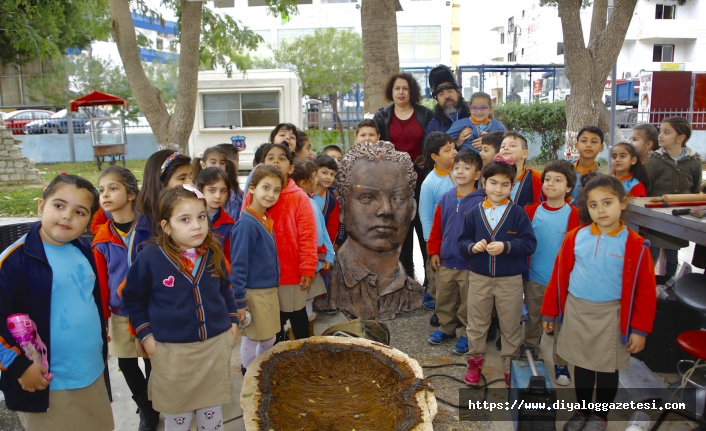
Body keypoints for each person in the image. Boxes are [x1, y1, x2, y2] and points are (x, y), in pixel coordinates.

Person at [542, 174, 657, 431]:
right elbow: (559, 278)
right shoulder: (575, 237)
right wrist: (549, 312)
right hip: (577, 311)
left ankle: (600, 416)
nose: (600, 210)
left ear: (623, 203)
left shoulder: (636, 246)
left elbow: (646, 292)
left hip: (611, 315)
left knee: (607, 369)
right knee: (582, 365)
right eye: (593, 205)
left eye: (607, 202)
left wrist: (639, 330)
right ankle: (583, 411)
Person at [0, 175, 114, 431]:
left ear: (89, 220)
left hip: (91, 374)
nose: (67, 216)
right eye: (59, 206)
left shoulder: (84, 251)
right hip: (46, 384)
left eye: (79, 211)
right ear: (41, 206)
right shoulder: (14, 261)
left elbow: (88, 299)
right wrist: (19, 366)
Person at [122, 185, 239, 431]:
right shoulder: (150, 257)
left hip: (213, 349)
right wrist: (146, 335)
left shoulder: (212, 252)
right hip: (172, 354)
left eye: (201, 217)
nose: (196, 225)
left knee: (211, 411)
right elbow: (133, 298)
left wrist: (232, 323)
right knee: (179, 416)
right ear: (166, 226)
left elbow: (225, 288)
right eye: (184, 219)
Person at [316, 141, 424, 320]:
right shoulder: (325, 286)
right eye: (367, 198)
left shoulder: (413, 292)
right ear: (342, 209)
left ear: (412, 209)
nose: (386, 210)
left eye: (397, 198)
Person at [458, 159, 537, 387]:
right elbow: (462, 241)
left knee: (510, 324)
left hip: (510, 280)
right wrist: (472, 247)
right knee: (477, 322)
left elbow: (529, 243)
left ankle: (509, 364)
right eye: (493, 183)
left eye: (505, 184)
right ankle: (474, 362)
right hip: (480, 277)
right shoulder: (474, 212)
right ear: (483, 182)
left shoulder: (518, 213)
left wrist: (507, 247)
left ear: (511, 186)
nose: (498, 189)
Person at [93, 166, 160, 430]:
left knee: (153, 358)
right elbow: (101, 282)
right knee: (126, 361)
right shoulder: (102, 238)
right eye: (101, 190)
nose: (105, 195)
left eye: (113, 188)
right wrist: (104, 318)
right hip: (121, 313)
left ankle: (156, 401)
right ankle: (145, 407)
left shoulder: (151, 228)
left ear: (131, 193)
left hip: (151, 308)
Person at [243, 143, 318, 341]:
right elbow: (244, 234)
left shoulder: (299, 198)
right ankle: (276, 356)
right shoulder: (253, 197)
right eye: (270, 157)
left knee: (296, 314)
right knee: (271, 321)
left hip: (291, 273)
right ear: (261, 165)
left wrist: (307, 268)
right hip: (262, 276)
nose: (276, 161)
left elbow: (308, 235)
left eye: (282, 158)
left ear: (291, 168)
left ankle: (304, 353)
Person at [373, 72, 434, 282]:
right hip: (395, 185)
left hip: (423, 181)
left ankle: (430, 283)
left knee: (424, 228)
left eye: (405, 88)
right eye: (397, 88)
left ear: (412, 91)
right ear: (391, 91)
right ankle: (407, 280)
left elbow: (434, 142)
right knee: (401, 233)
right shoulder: (382, 117)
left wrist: (428, 159)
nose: (401, 92)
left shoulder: (426, 114)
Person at [523, 160, 579, 386]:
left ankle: (561, 362)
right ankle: (529, 351)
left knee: (562, 324)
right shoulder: (531, 211)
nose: (551, 184)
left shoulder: (574, 214)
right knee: (533, 318)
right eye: (547, 179)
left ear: (568, 187)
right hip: (535, 278)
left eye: (558, 180)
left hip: (562, 283)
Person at [427, 149, 485, 355]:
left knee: (469, 302)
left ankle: (467, 335)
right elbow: (437, 229)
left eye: (467, 168)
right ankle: (446, 328)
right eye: (457, 167)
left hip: (469, 264)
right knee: (444, 298)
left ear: (477, 174)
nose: (460, 171)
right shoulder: (446, 199)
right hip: (445, 261)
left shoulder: (482, 201)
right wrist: (434, 251)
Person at [230, 165, 286, 375]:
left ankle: (259, 370)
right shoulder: (247, 225)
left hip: (268, 291)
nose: (271, 194)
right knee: (253, 337)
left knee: (268, 336)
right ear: (251, 188)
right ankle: (249, 374)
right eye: (266, 187)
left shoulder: (263, 219)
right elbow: (239, 265)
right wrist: (240, 301)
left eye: (276, 190)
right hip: (254, 293)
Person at [644, 116, 701, 284]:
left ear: (680, 138)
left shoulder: (694, 162)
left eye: (666, 132)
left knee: (671, 257)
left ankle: (669, 288)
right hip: (654, 220)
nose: (660, 135)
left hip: (678, 219)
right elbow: (646, 190)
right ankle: (647, 287)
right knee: (650, 255)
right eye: (660, 131)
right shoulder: (654, 160)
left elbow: (695, 191)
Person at [291, 159, 334, 336]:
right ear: (302, 182)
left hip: (315, 261)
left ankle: (305, 337)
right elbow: (315, 236)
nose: (317, 181)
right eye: (314, 177)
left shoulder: (315, 201)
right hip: (308, 262)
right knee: (301, 304)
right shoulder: (303, 203)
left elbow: (325, 231)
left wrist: (329, 255)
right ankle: (302, 338)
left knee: (307, 302)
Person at [419, 132, 458, 313]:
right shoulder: (430, 183)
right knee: (436, 274)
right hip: (438, 239)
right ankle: (437, 304)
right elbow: (425, 215)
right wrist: (430, 243)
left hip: (458, 235)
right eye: (447, 150)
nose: (454, 152)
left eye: (454, 147)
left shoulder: (461, 174)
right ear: (435, 156)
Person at [136, 150, 192, 244]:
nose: (190, 184)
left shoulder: (195, 213)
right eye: (182, 178)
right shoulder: (144, 230)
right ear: (161, 183)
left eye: (190, 177)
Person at [196, 167, 235, 262]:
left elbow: (229, 260)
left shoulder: (229, 225)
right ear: (199, 190)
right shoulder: (188, 219)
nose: (218, 196)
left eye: (223, 191)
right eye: (212, 190)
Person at [498, 131, 543, 208]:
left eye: (512, 145)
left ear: (524, 154)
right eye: (502, 146)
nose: (506, 148)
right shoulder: (493, 176)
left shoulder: (536, 177)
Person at [424, 64, 470, 134]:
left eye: (450, 91)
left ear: (458, 93)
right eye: (441, 94)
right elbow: (429, 145)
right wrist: (455, 143)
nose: (447, 96)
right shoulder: (434, 126)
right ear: (437, 100)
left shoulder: (473, 114)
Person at [313, 154, 341, 247]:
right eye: (324, 173)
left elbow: (332, 227)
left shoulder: (332, 201)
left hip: (320, 245)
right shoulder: (304, 193)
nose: (329, 177)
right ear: (314, 172)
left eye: (332, 174)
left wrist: (326, 248)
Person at [571, 126, 604, 201]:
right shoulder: (565, 167)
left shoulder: (598, 179)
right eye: (584, 141)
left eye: (594, 142)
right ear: (576, 145)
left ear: (601, 147)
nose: (588, 145)